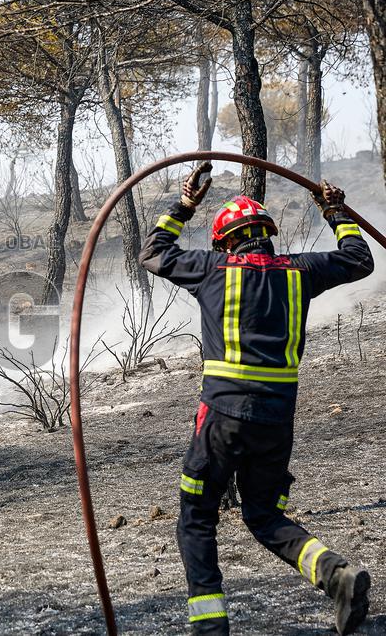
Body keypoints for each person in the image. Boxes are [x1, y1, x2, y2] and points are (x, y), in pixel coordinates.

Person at [139, 162, 374, 635]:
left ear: (225, 242)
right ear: (266, 234)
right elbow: (359, 257)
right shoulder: (301, 272)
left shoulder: (211, 268)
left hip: (221, 419)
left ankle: (210, 626)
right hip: (276, 420)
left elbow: (153, 252)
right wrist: (336, 212)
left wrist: (184, 205)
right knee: (264, 514)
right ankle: (336, 575)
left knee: (196, 518)